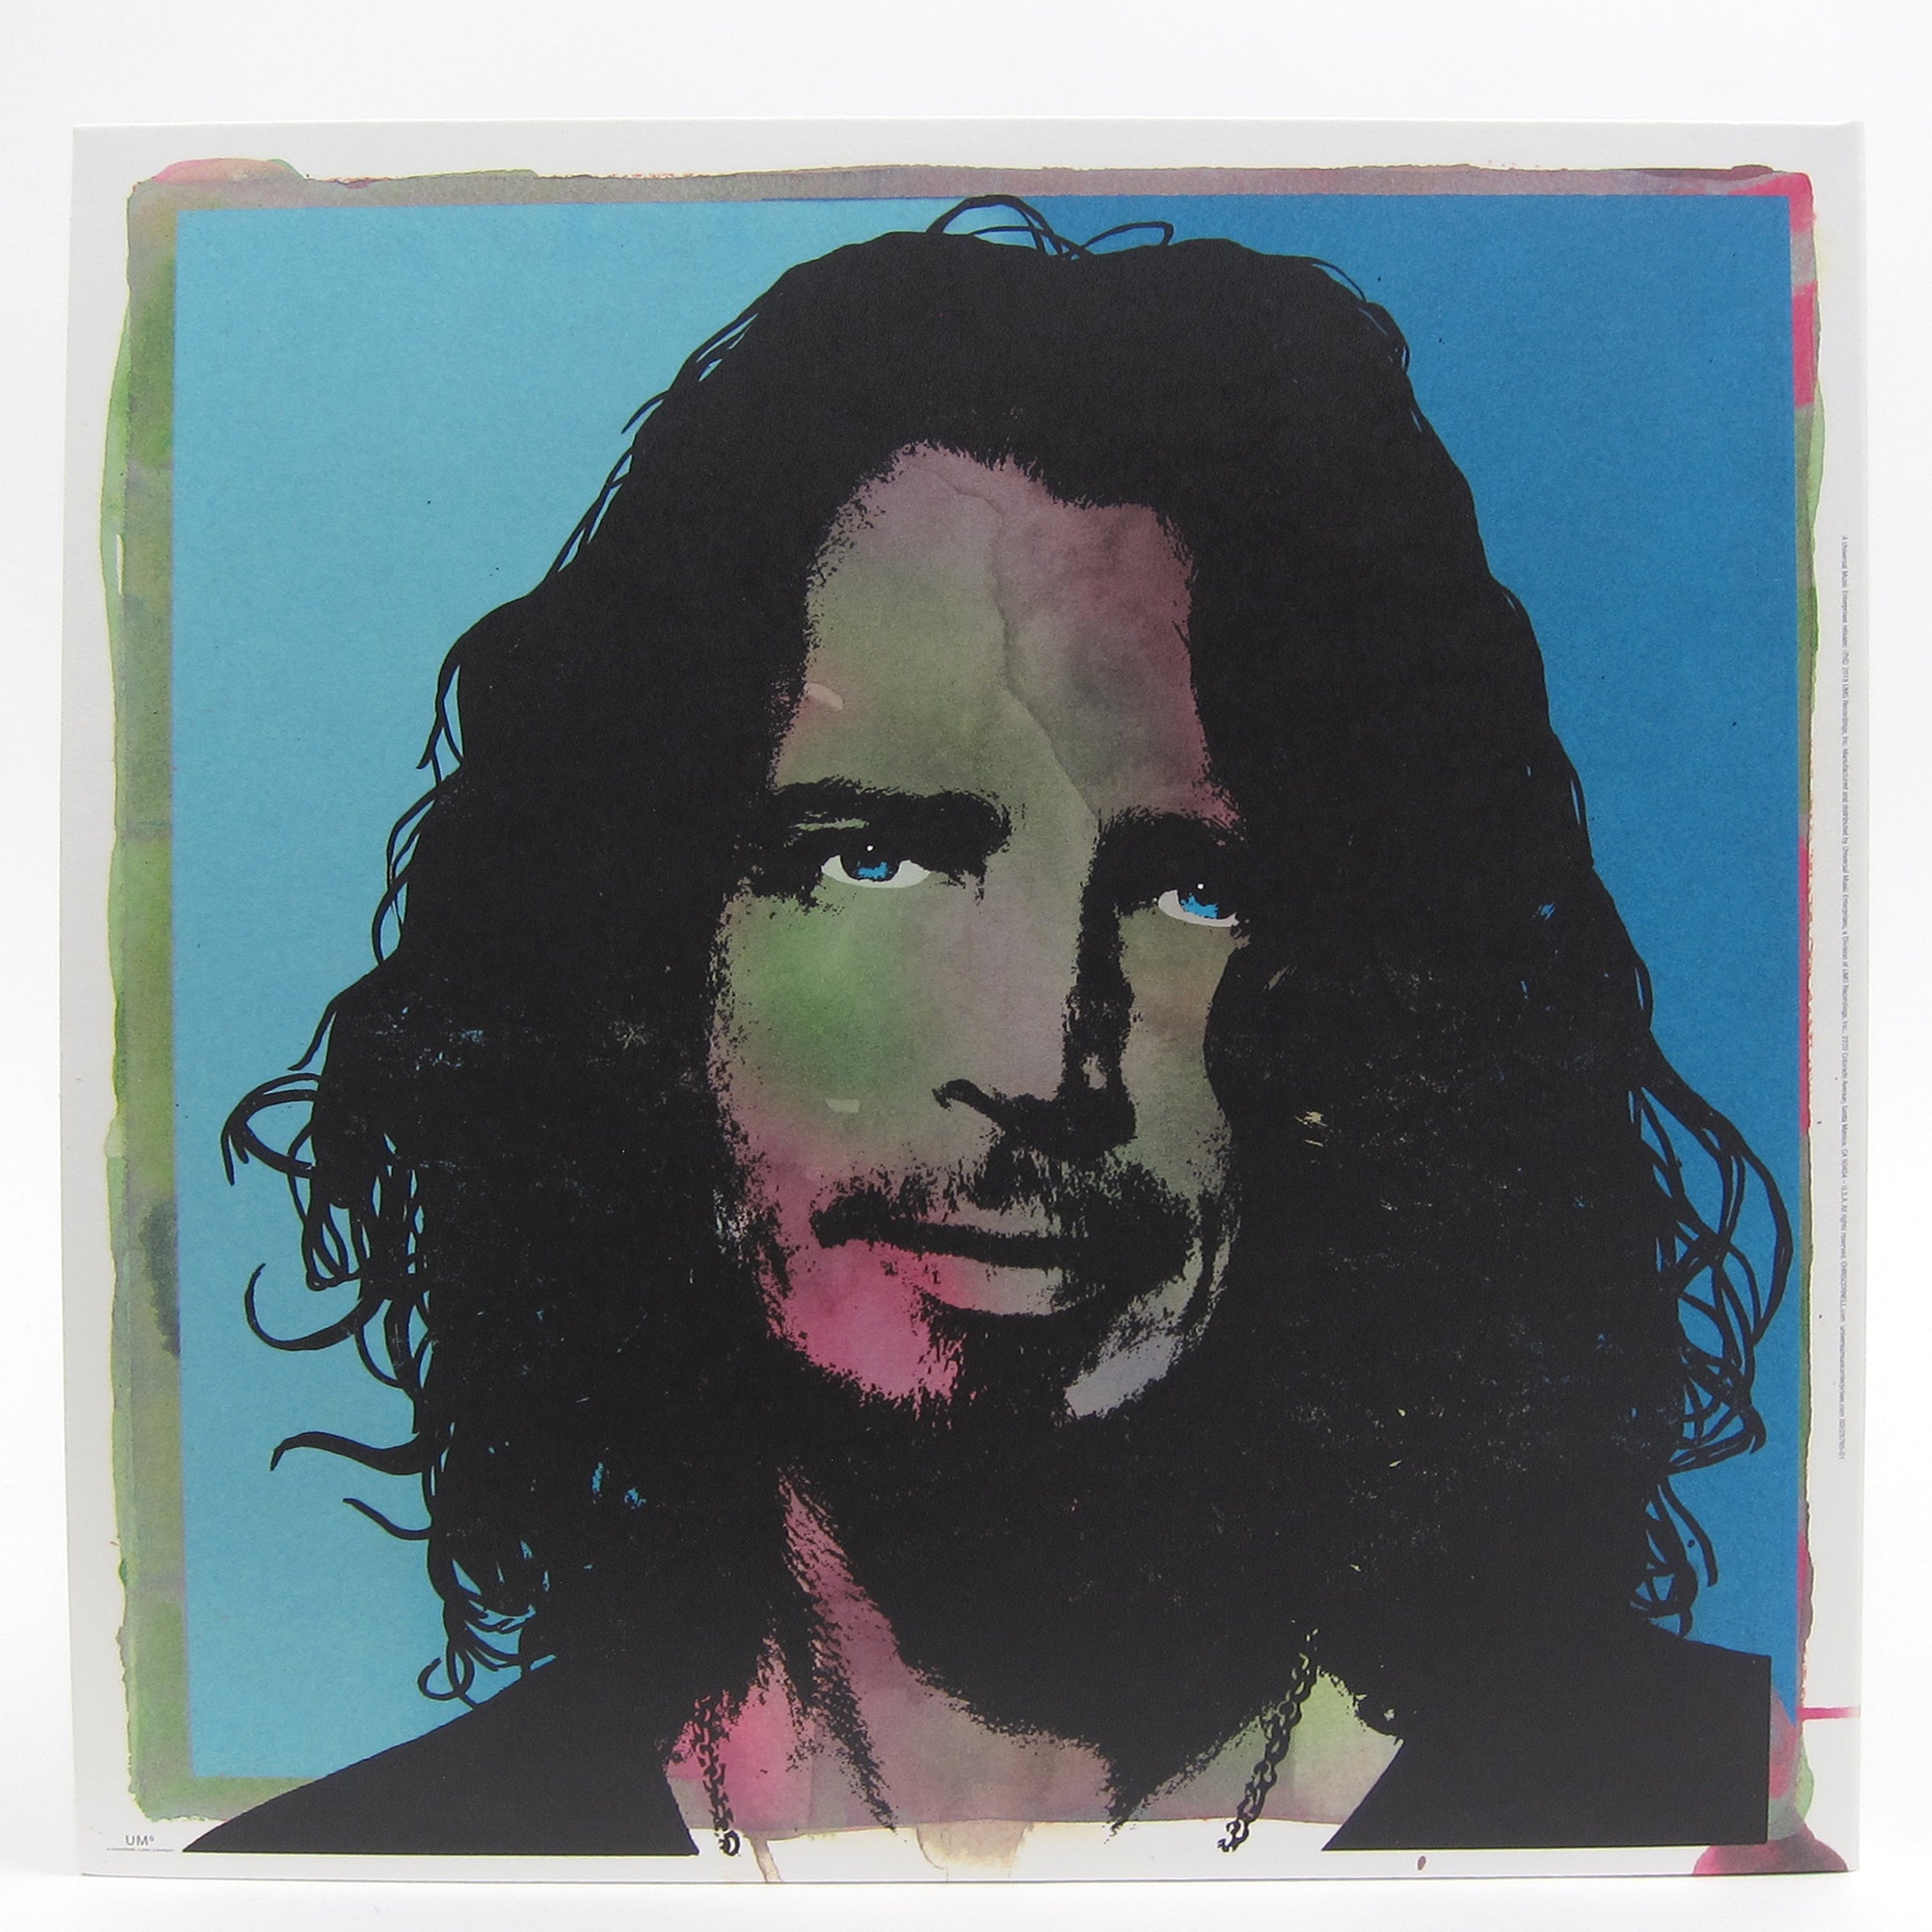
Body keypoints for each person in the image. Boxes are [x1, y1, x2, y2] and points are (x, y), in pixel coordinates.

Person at [189, 200, 1788, 1860]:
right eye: (873, 860)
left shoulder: (1737, 1826)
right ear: (647, 962)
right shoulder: (338, 1880)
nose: (1041, 1060)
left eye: (1199, 892)